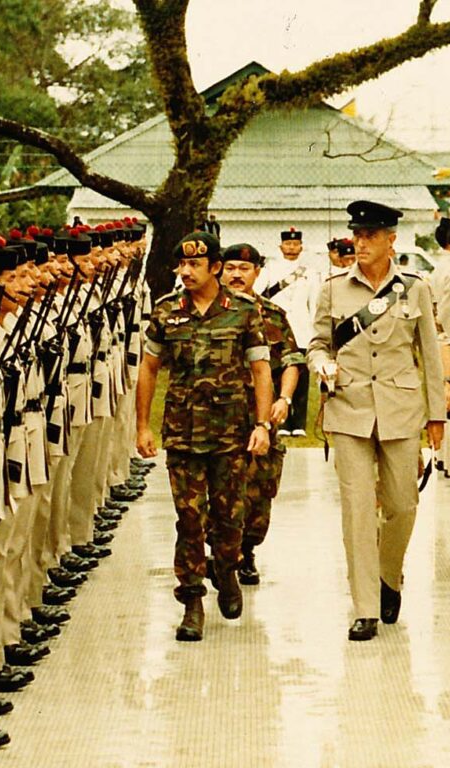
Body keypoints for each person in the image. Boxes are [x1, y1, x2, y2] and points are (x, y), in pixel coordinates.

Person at [308, 200, 446, 641]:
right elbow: (317, 343)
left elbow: (430, 355)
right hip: (349, 409)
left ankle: (389, 574)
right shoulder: (333, 289)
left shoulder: (414, 289)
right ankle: (365, 607)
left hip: (400, 411)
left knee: (404, 505)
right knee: (358, 512)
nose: (360, 243)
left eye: (370, 236)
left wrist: (437, 415)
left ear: (391, 240)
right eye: (357, 235)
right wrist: (321, 365)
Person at [136, 231, 273, 642]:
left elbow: (261, 370)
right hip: (183, 434)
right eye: (182, 264)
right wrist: (142, 425)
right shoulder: (166, 312)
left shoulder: (243, 312)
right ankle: (191, 601)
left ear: (215, 268)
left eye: (195, 264)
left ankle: (227, 568)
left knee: (230, 517)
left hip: (230, 434)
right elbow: (149, 368)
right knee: (189, 519)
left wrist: (262, 425)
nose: (186, 271)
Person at [219, 243, 305, 585]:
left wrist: (284, 398)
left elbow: (291, 360)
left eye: (244, 269)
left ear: (257, 272)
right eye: (230, 268)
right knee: (219, 487)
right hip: (218, 416)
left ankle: (247, 550)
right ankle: (224, 552)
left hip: (260, 413)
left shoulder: (272, 314)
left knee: (259, 487)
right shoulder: (210, 311)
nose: (236, 275)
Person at [257, 227, 315, 436]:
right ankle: (280, 422)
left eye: (295, 244)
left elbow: (314, 304)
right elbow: (258, 295)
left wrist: (314, 331)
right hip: (277, 330)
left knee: (302, 377)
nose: (291, 247)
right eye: (288, 244)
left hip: (301, 329)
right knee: (277, 375)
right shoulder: (269, 270)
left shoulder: (310, 272)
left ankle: (298, 423)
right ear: (281, 246)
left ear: (301, 247)